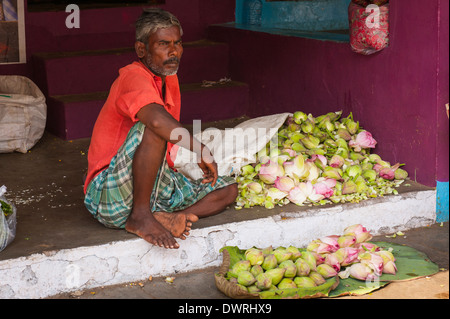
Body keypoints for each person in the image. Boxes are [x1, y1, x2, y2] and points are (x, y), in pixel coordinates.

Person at [83, 8, 238, 250]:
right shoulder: (132, 76)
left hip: (154, 187)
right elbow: (156, 122)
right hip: (110, 193)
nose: (174, 51)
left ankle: (166, 217)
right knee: (155, 127)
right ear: (142, 49)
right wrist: (202, 150)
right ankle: (141, 216)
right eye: (164, 44)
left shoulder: (169, 79)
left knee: (227, 189)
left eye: (178, 43)